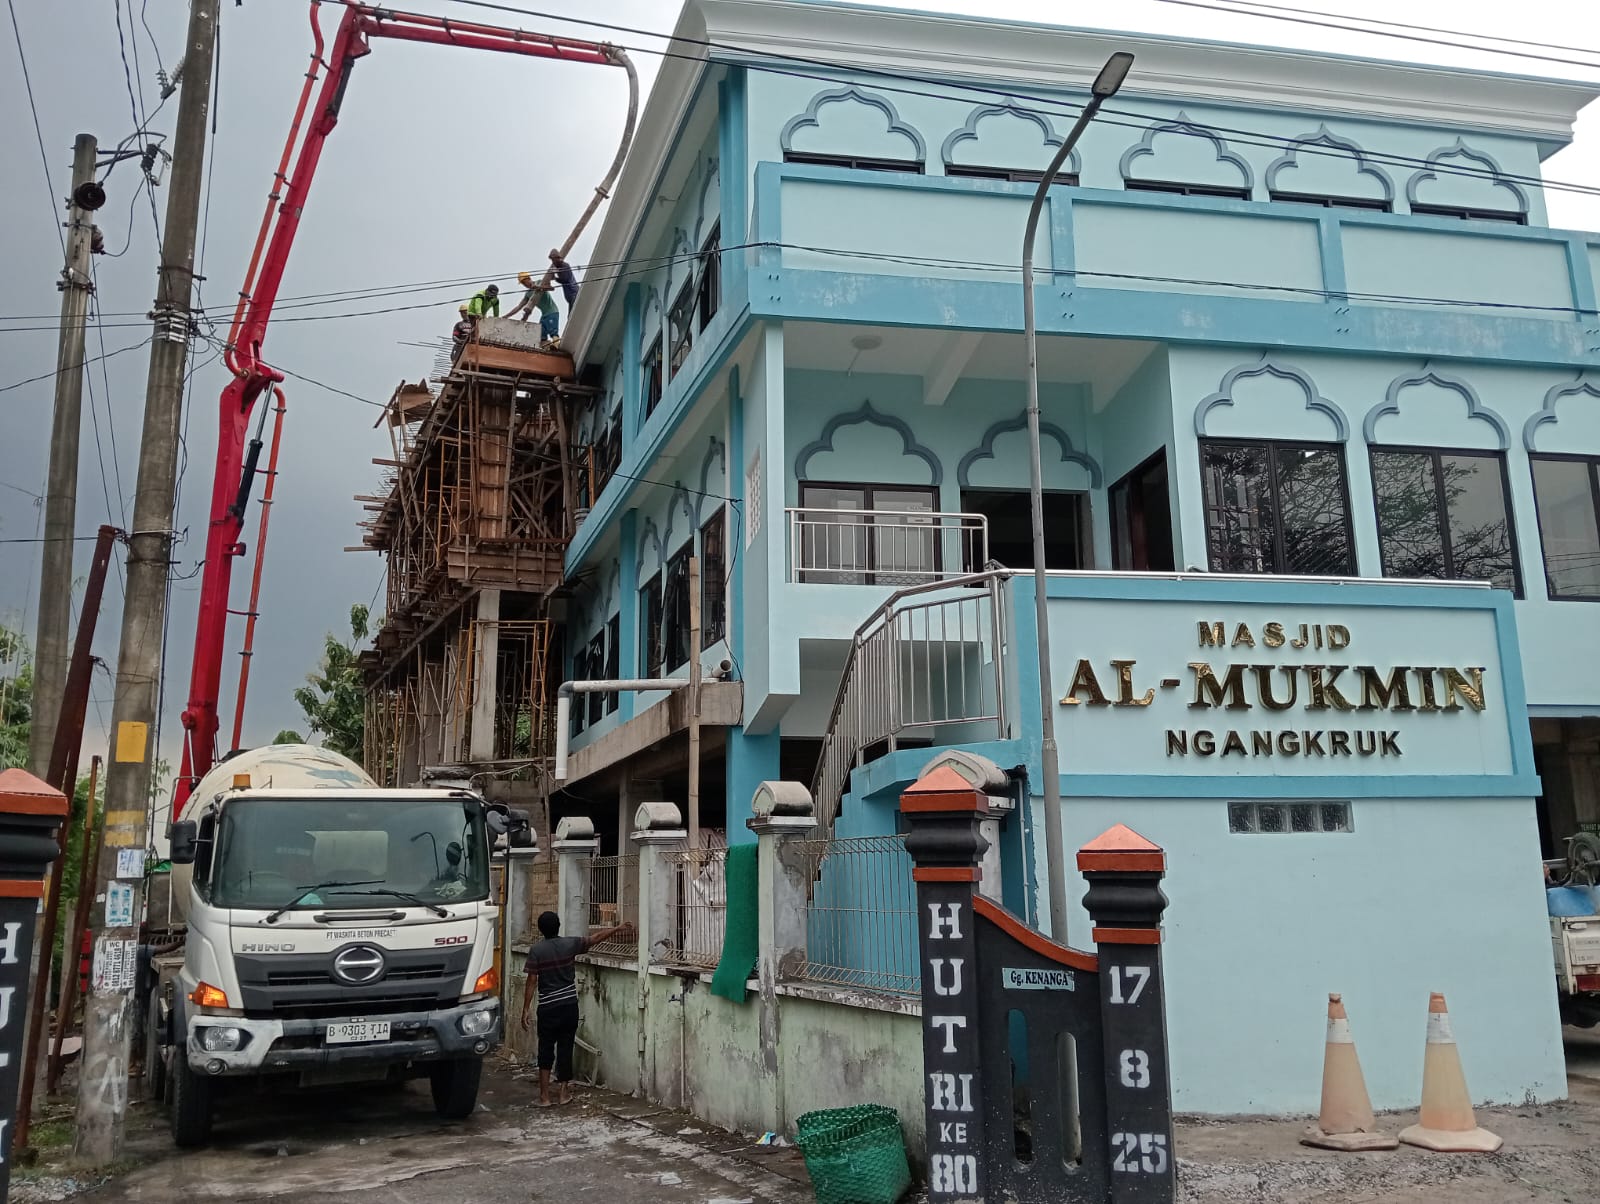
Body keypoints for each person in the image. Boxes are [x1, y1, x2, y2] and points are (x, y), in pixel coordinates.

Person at [520, 909, 633, 1105]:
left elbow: (531, 980)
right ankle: (563, 1094)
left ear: (540, 929)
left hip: (548, 1008)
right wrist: (617, 928)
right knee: (566, 1047)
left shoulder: (537, 950)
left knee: (545, 1049)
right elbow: (595, 938)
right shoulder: (570, 944)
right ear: (558, 926)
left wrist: (525, 1008)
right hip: (569, 1006)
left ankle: (544, 1096)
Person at [507, 271, 562, 346]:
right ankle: (548, 347)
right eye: (522, 283)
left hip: (552, 312)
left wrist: (537, 287)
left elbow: (551, 288)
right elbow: (518, 307)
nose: (524, 285)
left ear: (528, 278)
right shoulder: (528, 294)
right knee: (541, 336)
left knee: (553, 333)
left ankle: (557, 345)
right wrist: (506, 316)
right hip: (544, 315)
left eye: (524, 282)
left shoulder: (540, 282)